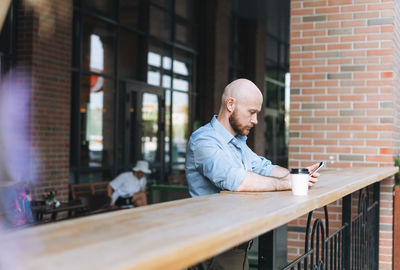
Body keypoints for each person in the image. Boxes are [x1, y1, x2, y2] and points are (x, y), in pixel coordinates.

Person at [185, 78, 321, 270]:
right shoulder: (204, 140)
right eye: (252, 112)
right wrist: (289, 183)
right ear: (230, 104)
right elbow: (237, 181)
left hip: (235, 246)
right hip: (215, 248)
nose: (255, 120)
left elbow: (264, 168)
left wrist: (298, 175)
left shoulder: (238, 143)